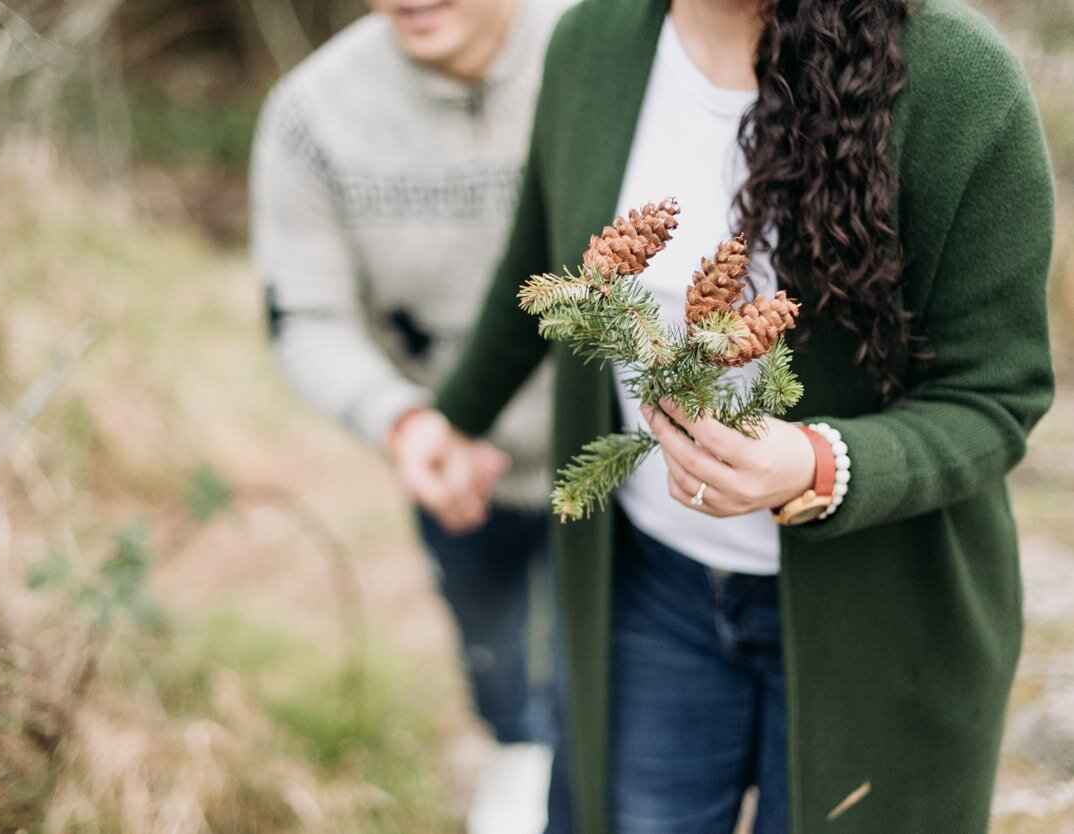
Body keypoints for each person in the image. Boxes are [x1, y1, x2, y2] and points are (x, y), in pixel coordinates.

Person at [394, 0, 1056, 832]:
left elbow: (997, 393)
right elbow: (543, 259)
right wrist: (451, 420)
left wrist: (819, 464)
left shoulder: (958, 77)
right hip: (651, 589)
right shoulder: (593, 42)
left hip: (876, 616)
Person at [249, 1, 576, 832]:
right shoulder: (313, 114)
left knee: (608, 687)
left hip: (624, 455)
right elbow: (308, 316)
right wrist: (402, 421)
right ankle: (513, 752)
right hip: (456, 465)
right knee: (495, 648)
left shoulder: (611, 50)